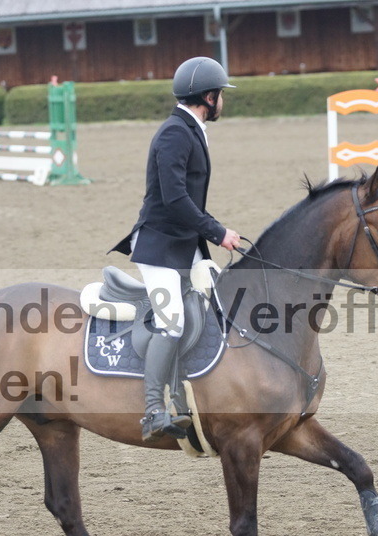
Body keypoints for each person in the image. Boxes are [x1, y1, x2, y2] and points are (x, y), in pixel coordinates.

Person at [110, 56, 241, 442]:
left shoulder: (192, 129)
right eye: (221, 95)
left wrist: (212, 233)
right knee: (173, 320)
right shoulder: (174, 133)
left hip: (184, 244)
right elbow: (174, 200)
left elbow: (189, 203)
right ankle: (153, 410)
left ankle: (191, 399)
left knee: (213, 302)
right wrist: (217, 232)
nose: (223, 102)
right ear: (208, 96)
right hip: (159, 246)